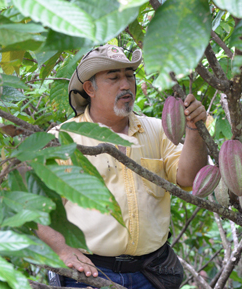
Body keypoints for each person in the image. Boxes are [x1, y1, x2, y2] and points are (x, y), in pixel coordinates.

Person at [37, 44, 208, 288]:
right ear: (89, 88)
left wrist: (194, 131)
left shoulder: (157, 130)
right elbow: (33, 204)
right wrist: (62, 250)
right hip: (91, 273)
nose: (126, 85)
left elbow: (189, 179)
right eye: (114, 78)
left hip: (150, 272)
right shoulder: (63, 138)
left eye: (129, 76)